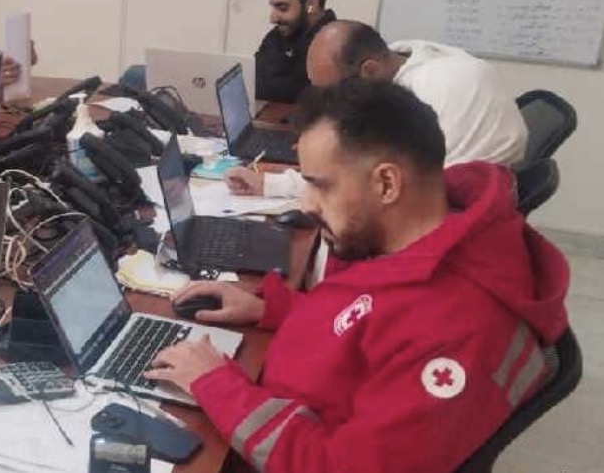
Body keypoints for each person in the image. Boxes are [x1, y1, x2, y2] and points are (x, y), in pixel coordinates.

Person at [146, 79, 569, 473]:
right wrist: (270, 308)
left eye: (321, 186)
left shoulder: (456, 332)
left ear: (386, 184)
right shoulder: (421, 240)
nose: (308, 204)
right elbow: (361, 319)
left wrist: (216, 385)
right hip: (275, 405)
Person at [226, 20, 528, 197]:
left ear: (369, 69)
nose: (334, 104)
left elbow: (371, 187)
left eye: (335, 92)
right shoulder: (404, 57)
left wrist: (275, 184)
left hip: (461, 206)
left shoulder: (424, 96)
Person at [255, 0, 336, 103]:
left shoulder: (334, 45)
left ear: (311, 5)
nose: (273, 18)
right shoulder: (280, 34)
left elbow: (296, 93)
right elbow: (253, 73)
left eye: (283, 8)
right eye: (274, 7)